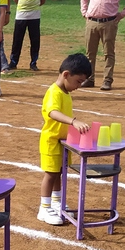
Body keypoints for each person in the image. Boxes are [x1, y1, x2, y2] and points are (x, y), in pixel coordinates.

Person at [38, 54, 93, 226]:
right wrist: (73, 121)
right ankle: (44, 207)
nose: (79, 86)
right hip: (51, 141)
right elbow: (52, 112)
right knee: (51, 174)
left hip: (63, 142)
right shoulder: (54, 92)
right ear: (66, 75)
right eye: (78, 81)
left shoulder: (66, 92)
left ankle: (56, 202)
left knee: (59, 172)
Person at [10, 0, 48, 71]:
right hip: (21, 15)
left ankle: (33, 62)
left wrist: (33, 6)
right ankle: (13, 62)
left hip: (34, 16)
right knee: (17, 40)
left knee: (35, 41)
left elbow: (43, 0)